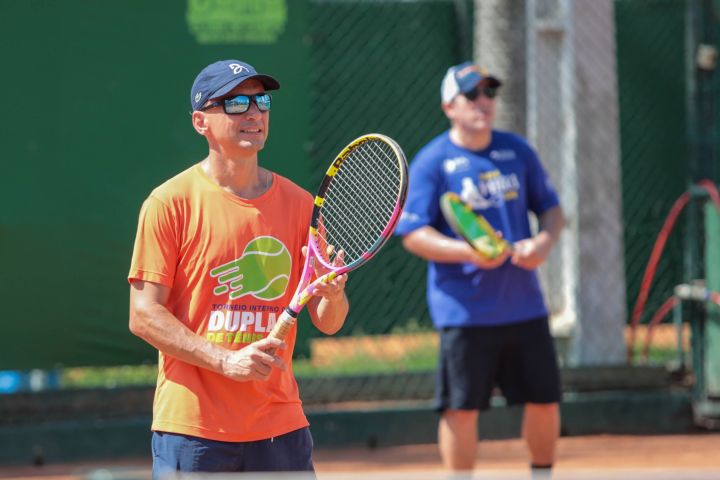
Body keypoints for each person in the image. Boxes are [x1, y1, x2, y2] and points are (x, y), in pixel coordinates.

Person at [127, 59, 349, 477]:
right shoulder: (169, 203)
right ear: (200, 121)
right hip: (192, 430)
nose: (253, 113)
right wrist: (224, 361)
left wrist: (333, 297)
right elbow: (143, 315)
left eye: (261, 101)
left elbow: (329, 321)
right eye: (234, 103)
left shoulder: (302, 206)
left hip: (280, 427)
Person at [395, 61, 565, 477]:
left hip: (524, 305)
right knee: (461, 408)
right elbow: (413, 234)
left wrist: (542, 243)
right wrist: (468, 252)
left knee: (544, 399)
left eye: (489, 93)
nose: (484, 102)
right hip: (465, 311)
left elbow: (552, 210)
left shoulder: (517, 150)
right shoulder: (433, 162)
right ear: (449, 106)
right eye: (472, 95)